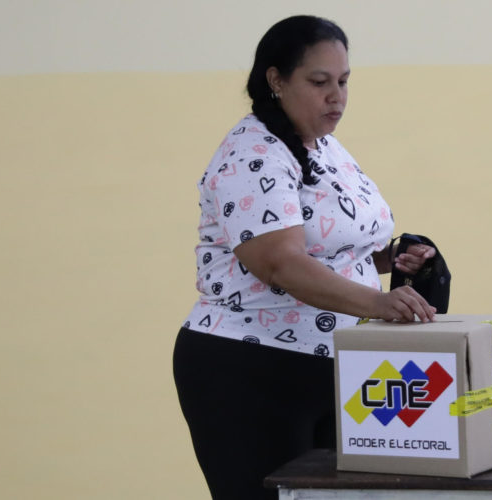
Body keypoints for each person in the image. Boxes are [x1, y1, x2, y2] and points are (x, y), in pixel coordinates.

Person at [173, 15, 436, 500]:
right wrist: (376, 304)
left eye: (343, 81)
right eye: (319, 82)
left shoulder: (327, 148)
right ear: (276, 80)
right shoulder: (252, 153)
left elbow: (343, 245)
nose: (336, 95)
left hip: (338, 366)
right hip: (250, 369)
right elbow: (281, 263)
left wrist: (398, 258)